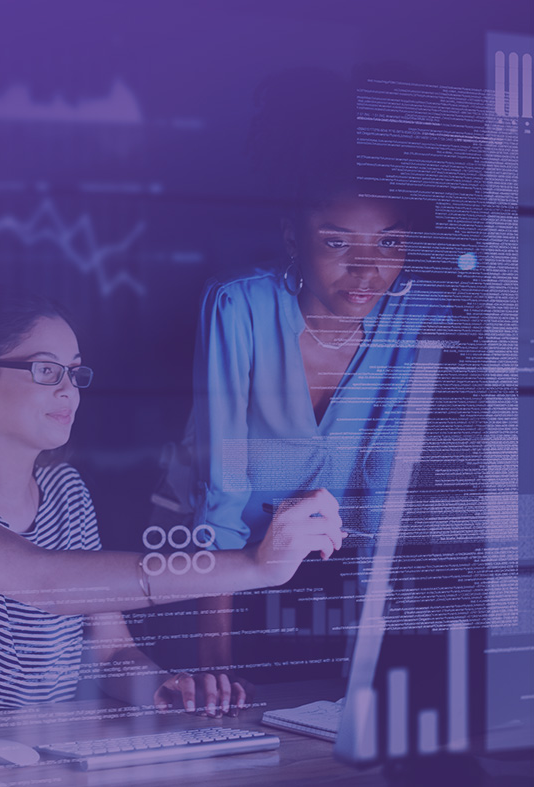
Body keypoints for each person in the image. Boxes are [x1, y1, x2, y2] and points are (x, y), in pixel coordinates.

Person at [0, 292, 346, 714]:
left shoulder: (66, 490)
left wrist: (162, 686)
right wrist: (256, 565)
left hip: (44, 758)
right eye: (45, 370)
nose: (68, 390)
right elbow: (46, 582)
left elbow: (112, 652)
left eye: (74, 373)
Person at [189, 68, 448, 671]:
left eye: (389, 244)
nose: (367, 272)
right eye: (337, 242)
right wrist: (213, 652)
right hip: (236, 580)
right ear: (291, 237)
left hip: (354, 590)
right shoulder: (240, 306)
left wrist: (373, 664)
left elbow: (388, 484)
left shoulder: (417, 316)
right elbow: (222, 489)